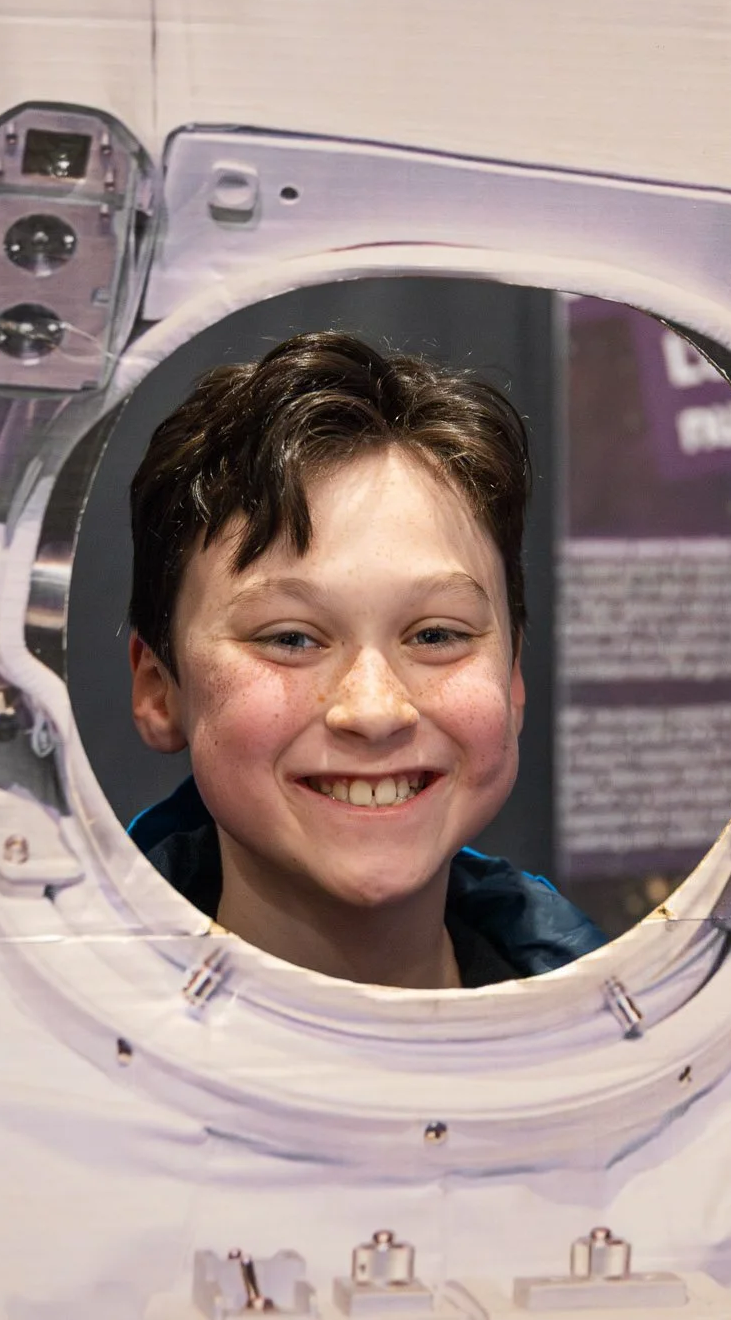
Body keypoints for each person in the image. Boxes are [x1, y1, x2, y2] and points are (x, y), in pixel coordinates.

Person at [120, 330, 604, 988]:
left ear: (513, 677)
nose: (375, 711)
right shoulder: (25, 1063)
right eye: (291, 638)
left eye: (436, 635)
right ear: (159, 688)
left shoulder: (643, 1048)